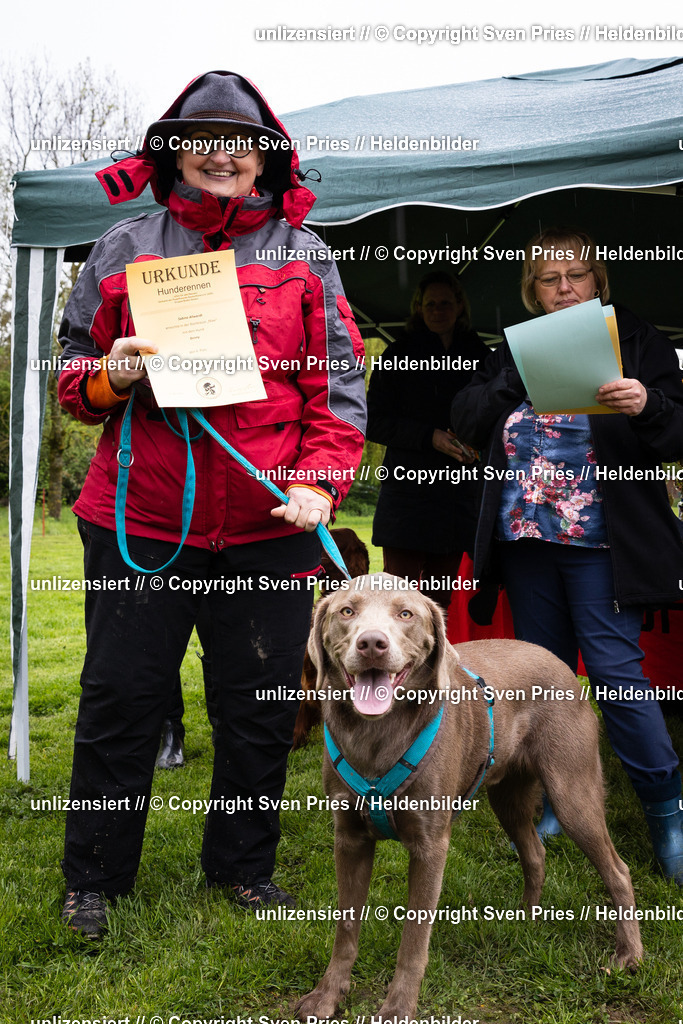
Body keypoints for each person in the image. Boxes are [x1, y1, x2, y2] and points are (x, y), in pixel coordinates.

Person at [57, 70, 366, 936]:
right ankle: (95, 878)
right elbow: (72, 378)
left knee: (259, 704)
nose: (222, 154)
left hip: (268, 524)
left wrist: (318, 482)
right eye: (204, 140)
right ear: (175, 154)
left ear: (261, 156)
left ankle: (242, 869)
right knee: (121, 696)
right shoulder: (123, 245)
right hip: (139, 521)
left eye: (239, 141)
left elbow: (338, 387)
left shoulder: (304, 253)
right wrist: (112, 376)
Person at [451, 226, 683, 881]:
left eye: (575, 276)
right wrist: (509, 382)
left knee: (616, 676)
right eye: (549, 279)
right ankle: (553, 798)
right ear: (532, 290)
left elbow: (676, 428)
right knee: (543, 681)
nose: (563, 288)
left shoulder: (636, 341)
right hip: (525, 543)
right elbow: (464, 418)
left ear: (596, 281)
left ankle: (665, 810)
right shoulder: (510, 352)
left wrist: (647, 403)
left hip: (603, 546)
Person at [366, 271, 490, 609]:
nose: (438, 311)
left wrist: (475, 441)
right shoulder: (398, 354)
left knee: (437, 610)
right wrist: (429, 437)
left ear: (460, 306)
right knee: (397, 606)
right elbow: (373, 422)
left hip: (456, 500)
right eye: (430, 304)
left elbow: (496, 414)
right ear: (418, 308)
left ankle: (434, 664)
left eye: (446, 303)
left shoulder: (480, 354)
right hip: (407, 501)